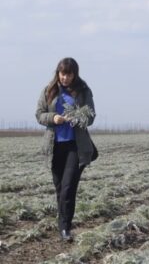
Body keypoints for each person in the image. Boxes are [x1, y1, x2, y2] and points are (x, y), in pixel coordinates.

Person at [35, 57, 96, 242]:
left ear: (74, 74)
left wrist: (78, 118)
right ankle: (62, 222)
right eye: (62, 74)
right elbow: (39, 114)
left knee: (68, 188)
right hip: (54, 147)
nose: (65, 78)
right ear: (58, 73)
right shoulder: (49, 90)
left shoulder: (84, 91)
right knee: (60, 188)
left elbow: (91, 116)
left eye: (69, 74)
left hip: (75, 147)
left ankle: (65, 229)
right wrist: (53, 118)